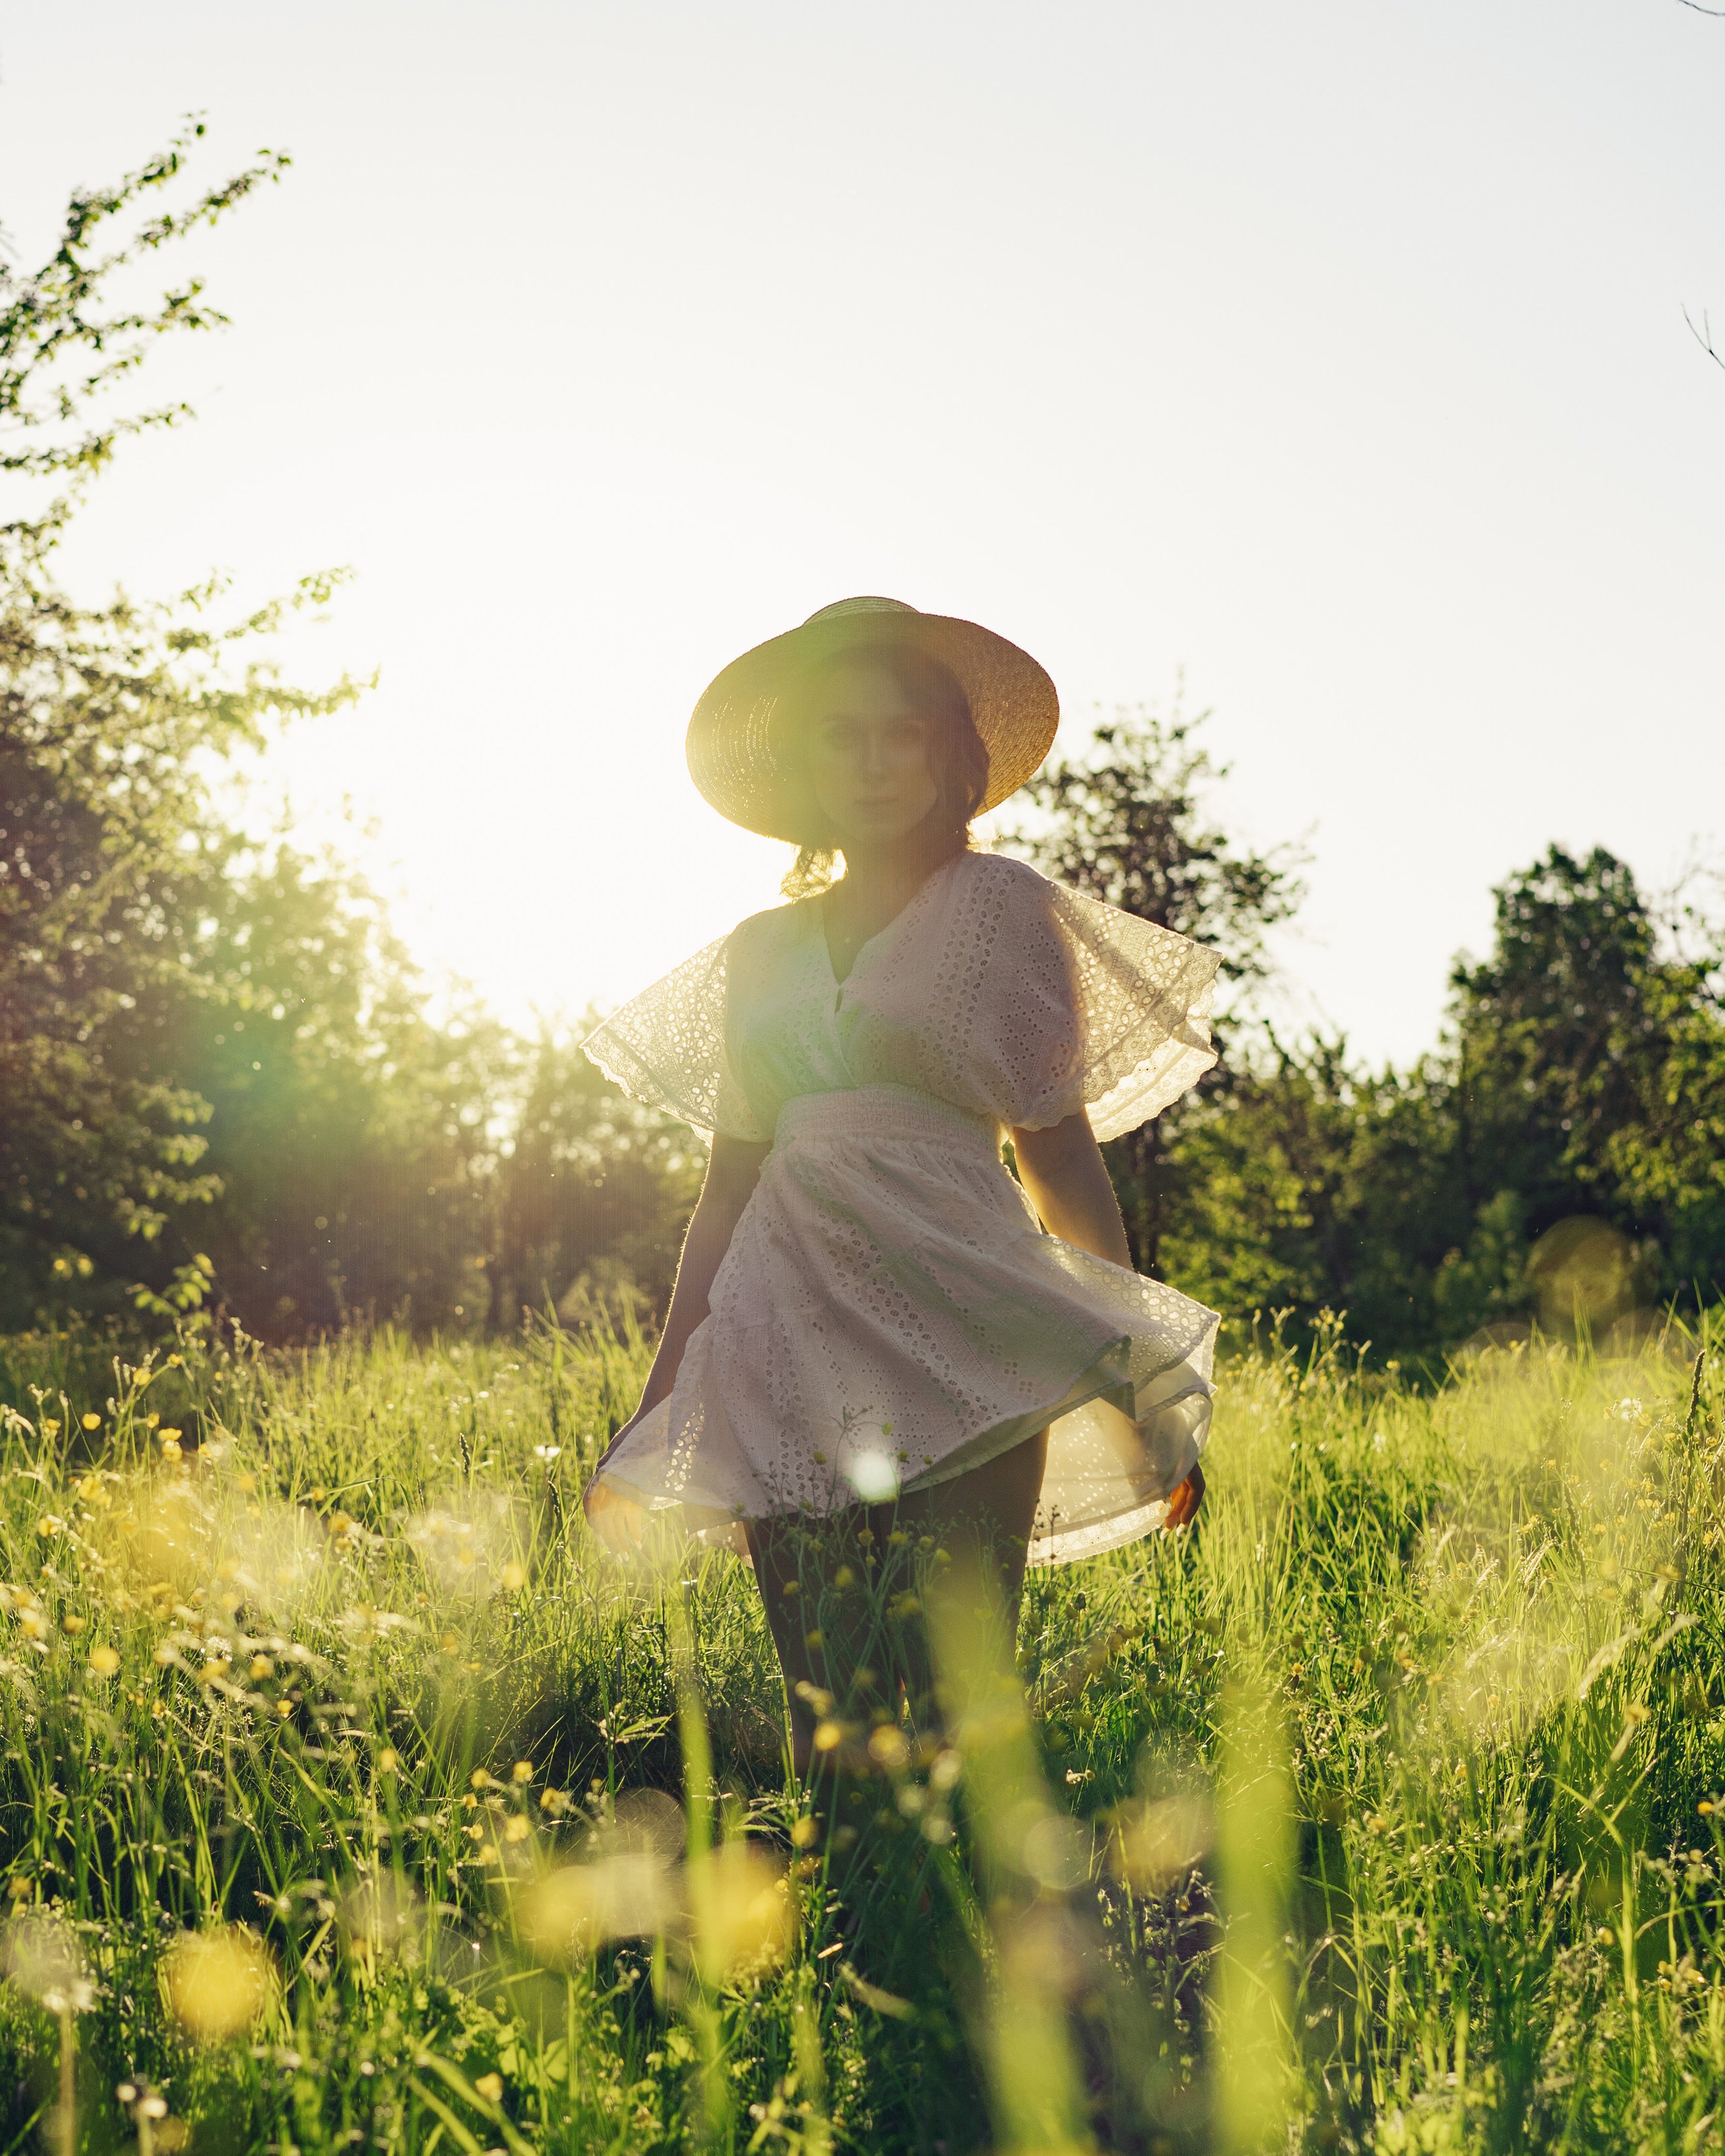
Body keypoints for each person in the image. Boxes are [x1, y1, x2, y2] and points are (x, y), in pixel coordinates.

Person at [582, 596, 1220, 1768]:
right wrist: (660, 1401)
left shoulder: (1009, 911)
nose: (874, 762)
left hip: (962, 1319)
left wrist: (1131, 1363)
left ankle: (961, 1931)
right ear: (804, 768)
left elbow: (1059, 1149)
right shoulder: (757, 955)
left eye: (901, 732)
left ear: (949, 752)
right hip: (782, 1332)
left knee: (955, 1700)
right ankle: (849, 1935)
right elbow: (725, 1190)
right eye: (842, 736)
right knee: (824, 1704)